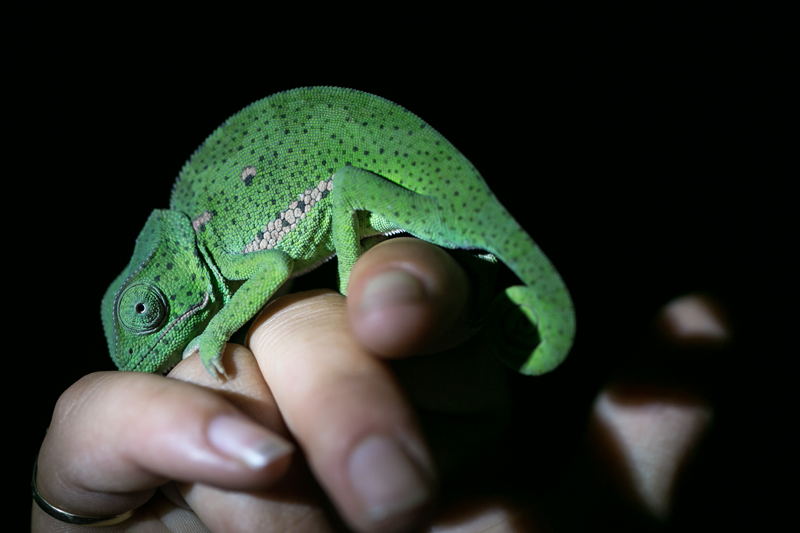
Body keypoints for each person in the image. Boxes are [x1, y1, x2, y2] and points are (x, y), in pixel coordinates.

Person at [31, 238, 721, 532]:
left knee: (379, 298)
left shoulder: (216, 238)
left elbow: (270, 262)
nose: (152, 342)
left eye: (151, 311)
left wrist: (219, 331)